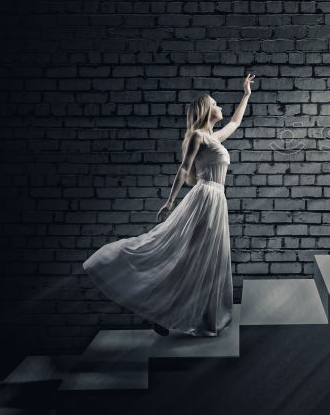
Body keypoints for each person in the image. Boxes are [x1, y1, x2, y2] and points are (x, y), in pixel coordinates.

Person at [83, 74, 256, 337]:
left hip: (216, 199)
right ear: (206, 110)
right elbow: (184, 168)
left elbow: (235, 121)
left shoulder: (214, 138)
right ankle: (161, 309)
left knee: (206, 259)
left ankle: (181, 315)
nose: (220, 106)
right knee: (189, 255)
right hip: (205, 198)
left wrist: (246, 95)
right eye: (216, 103)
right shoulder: (198, 136)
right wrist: (170, 201)